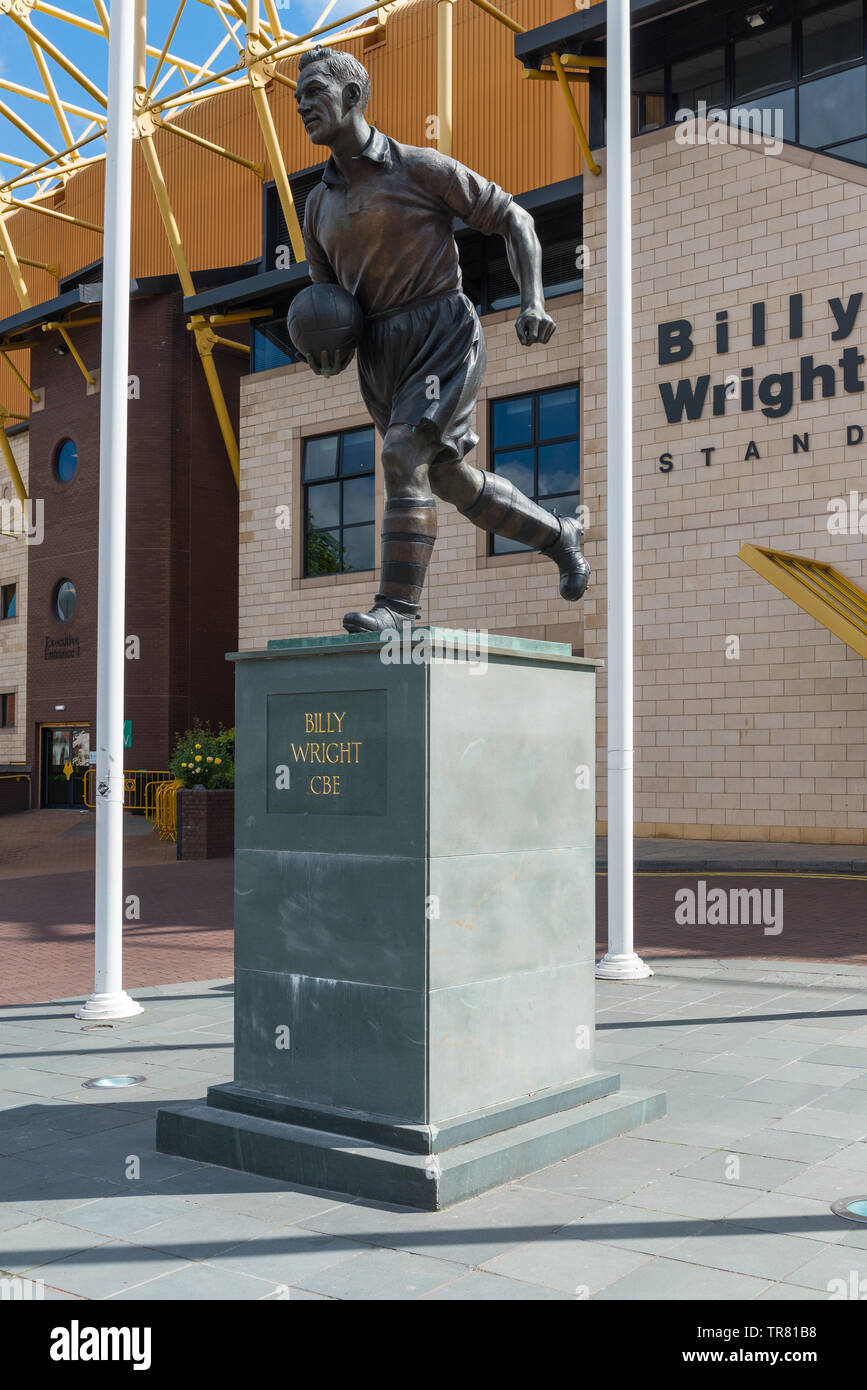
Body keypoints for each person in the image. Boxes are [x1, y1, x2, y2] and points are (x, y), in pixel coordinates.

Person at [295, 44, 590, 633]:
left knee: (401, 456)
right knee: (448, 479)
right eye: (297, 97)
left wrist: (533, 298)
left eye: (314, 93)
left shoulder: (418, 166)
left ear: (353, 96)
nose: (303, 105)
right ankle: (560, 534)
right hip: (381, 353)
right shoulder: (316, 205)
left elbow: (516, 219)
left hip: (443, 331)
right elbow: (328, 302)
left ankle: (399, 610)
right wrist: (323, 350)